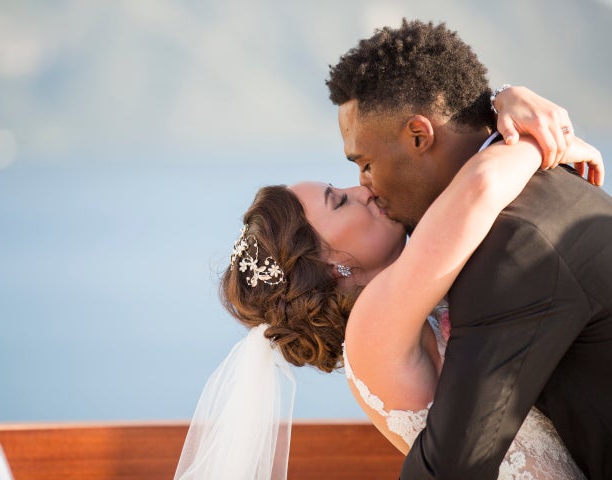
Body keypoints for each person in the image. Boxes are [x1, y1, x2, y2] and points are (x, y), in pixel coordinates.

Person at [173, 90, 603, 478]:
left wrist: (503, 100)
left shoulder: (403, 307)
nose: (362, 188)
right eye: (338, 200)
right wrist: (542, 141)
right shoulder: (372, 327)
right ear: (329, 268)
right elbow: (479, 187)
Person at [325, 19, 612, 479]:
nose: (365, 186)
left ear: (419, 136)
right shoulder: (532, 184)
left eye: (366, 163)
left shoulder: (509, 247)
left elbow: (456, 467)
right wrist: (503, 100)